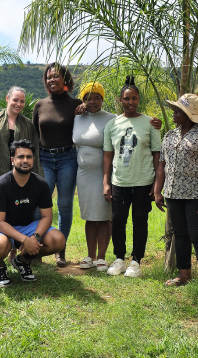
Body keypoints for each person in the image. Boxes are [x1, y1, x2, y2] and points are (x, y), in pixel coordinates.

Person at [0, 139, 66, 286]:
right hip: (2, 228)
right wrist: (25, 240)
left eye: (29, 157)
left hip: (27, 226)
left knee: (58, 240)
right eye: (20, 157)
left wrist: (35, 237)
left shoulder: (40, 184)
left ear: (33, 159)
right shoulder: (1, 184)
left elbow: (47, 216)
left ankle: (21, 261)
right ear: (12, 160)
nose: (25, 160)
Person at [103, 76, 161, 277]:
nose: (130, 102)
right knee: (117, 220)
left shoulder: (150, 123)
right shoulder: (112, 124)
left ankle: (136, 261)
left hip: (144, 181)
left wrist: (156, 184)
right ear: (121, 100)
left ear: (139, 100)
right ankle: (119, 258)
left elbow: (156, 154)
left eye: (134, 98)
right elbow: (108, 155)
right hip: (120, 181)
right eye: (127, 99)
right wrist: (106, 182)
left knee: (139, 220)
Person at [154, 93, 198, 290]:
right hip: (173, 194)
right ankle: (184, 274)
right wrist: (158, 191)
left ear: (190, 114)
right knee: (181, 234)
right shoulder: (170, 135)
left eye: (179, 111)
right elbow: (162, 165)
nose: (174, 114)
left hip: (196, 195)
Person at [33, 62, 82, 266]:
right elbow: (34, 134)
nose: (52, 79)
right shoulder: (40, 105)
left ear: (65, 79)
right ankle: (36, 247)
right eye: (49, 76)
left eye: (56, 76)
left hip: (67, 158)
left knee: (64, 205)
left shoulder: (76, 105)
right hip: (44, 158)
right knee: (39, 206)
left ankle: (60, 250)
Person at [73, 82, 116, 271]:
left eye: (96, 97)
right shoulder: (77, 118)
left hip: (104, 174)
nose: (92, 102)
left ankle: (101, 257)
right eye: (88, 98)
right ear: (83, 100)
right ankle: (90, 256)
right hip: (83, 175)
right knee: (90, 216)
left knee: (104, 216)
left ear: (102, 99)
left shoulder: (111, 118)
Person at [0, 86, 43, 179]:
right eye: (15, 100)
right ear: (7, 99)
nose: (18, 104)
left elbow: (34, 150)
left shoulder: (28, 125)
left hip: (21, 173)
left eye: (22, 101)